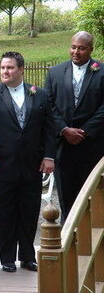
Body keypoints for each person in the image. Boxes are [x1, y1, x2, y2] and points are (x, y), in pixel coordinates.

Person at [0, 52, 56, 273]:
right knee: (3, 212)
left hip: (33, 164)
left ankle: (28, 257)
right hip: (0, 165)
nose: (5, 72)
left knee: (29, 211)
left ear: (21, 69)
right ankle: (7, 258)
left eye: (9, 68)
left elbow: (49, 128)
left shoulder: (40, 95)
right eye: (2, 68)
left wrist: (49, 156)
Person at [44, 31, 104, 222]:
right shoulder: (55, 73)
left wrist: (85, 131)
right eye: (73, 47)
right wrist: (64, 130)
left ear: (91, 49)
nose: (76, 51)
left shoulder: (101, 71)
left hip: (92, 147)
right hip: (64, 147)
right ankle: (69, 240)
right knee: (67, 199)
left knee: (93, 198)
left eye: (82, 48)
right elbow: (48, 106)